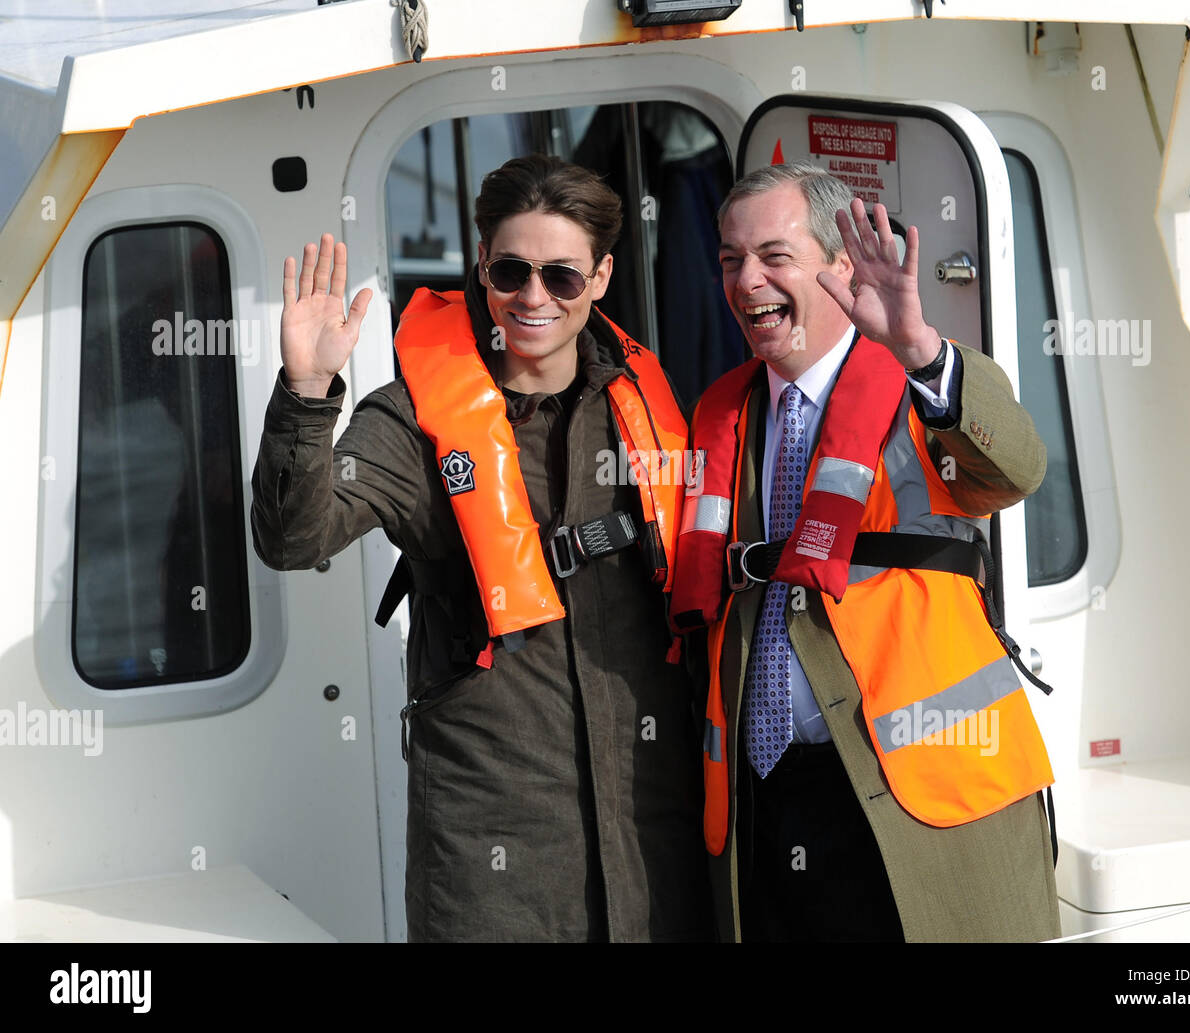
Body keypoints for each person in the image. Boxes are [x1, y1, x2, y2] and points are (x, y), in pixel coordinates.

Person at [250, 154, 712, 942]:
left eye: (562, 277)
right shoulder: (412, 420)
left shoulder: (651, 410)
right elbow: (295, 538)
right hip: (491, 852)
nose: (533, 297)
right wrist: (305, 393)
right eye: (511, 271)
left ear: (600, 278)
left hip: (652, 828)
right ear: (481, 271)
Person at [670, 161, 1059, 942]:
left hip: (922, 793)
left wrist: (920, 350)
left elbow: (1016, 468)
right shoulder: (719, 413)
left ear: (840, 266)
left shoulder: (921, 387)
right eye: (730, 261)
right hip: (768, 799)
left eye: (774, 257)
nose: (748, 282)